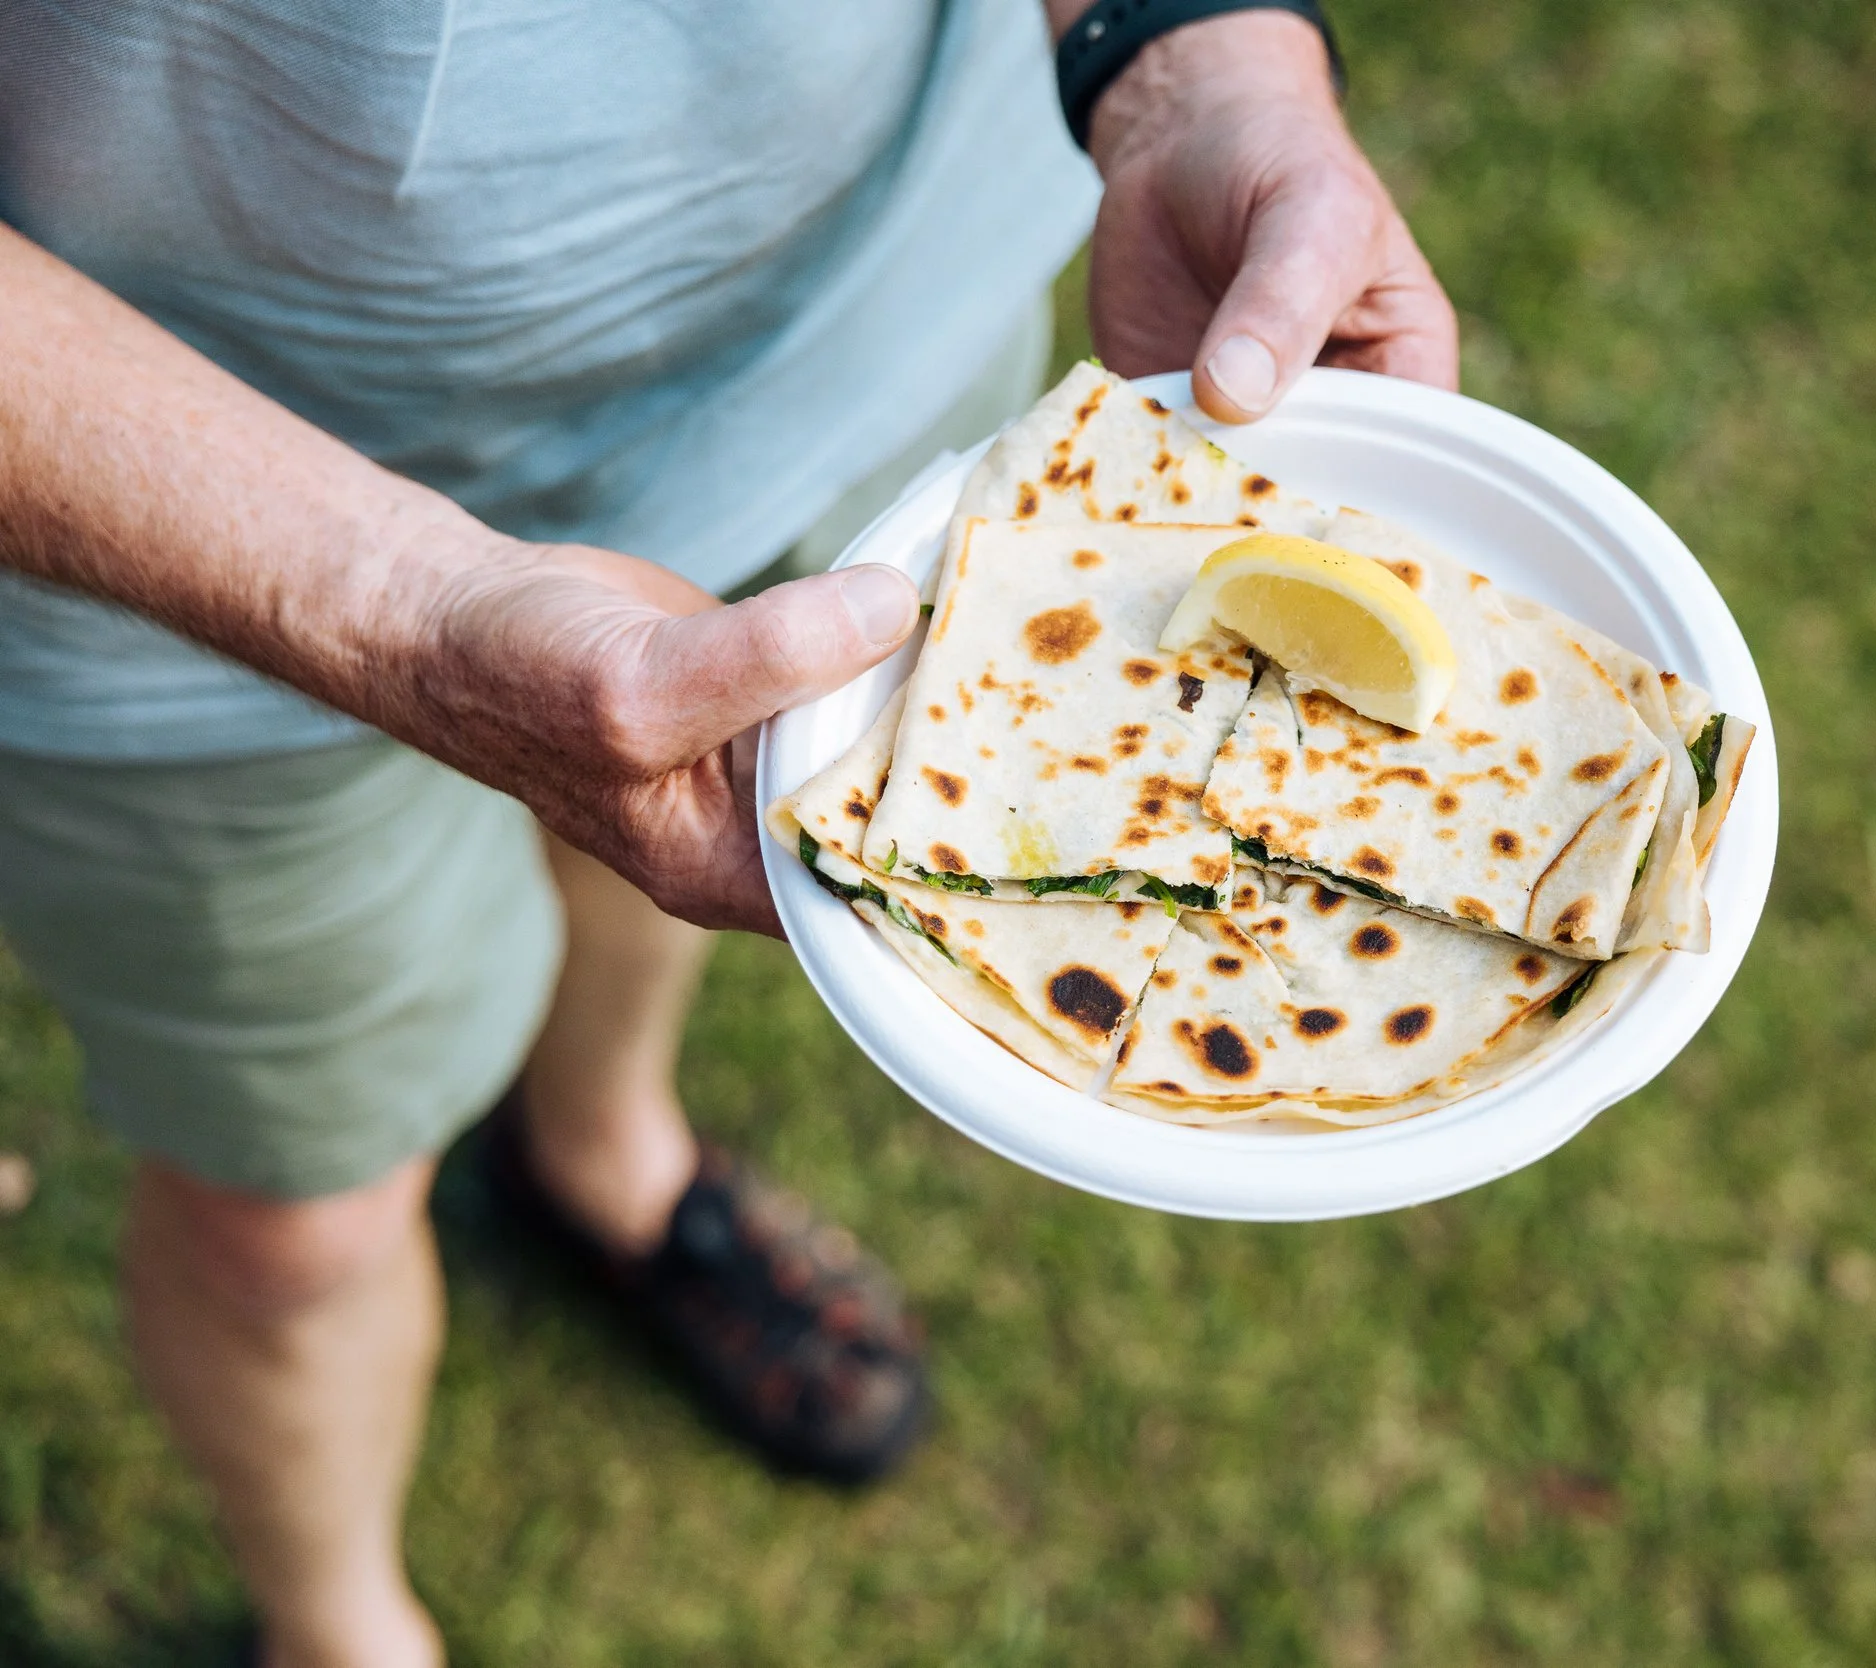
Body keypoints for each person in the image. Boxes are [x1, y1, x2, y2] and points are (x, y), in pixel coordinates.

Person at [0, 0, 1456, 1660]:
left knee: (713, 822)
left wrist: (1189, 57)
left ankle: (602, 1159)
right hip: (157, 500)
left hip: (866, 317)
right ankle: (337, 1628)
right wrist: (401, 611)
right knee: (294, 1214)